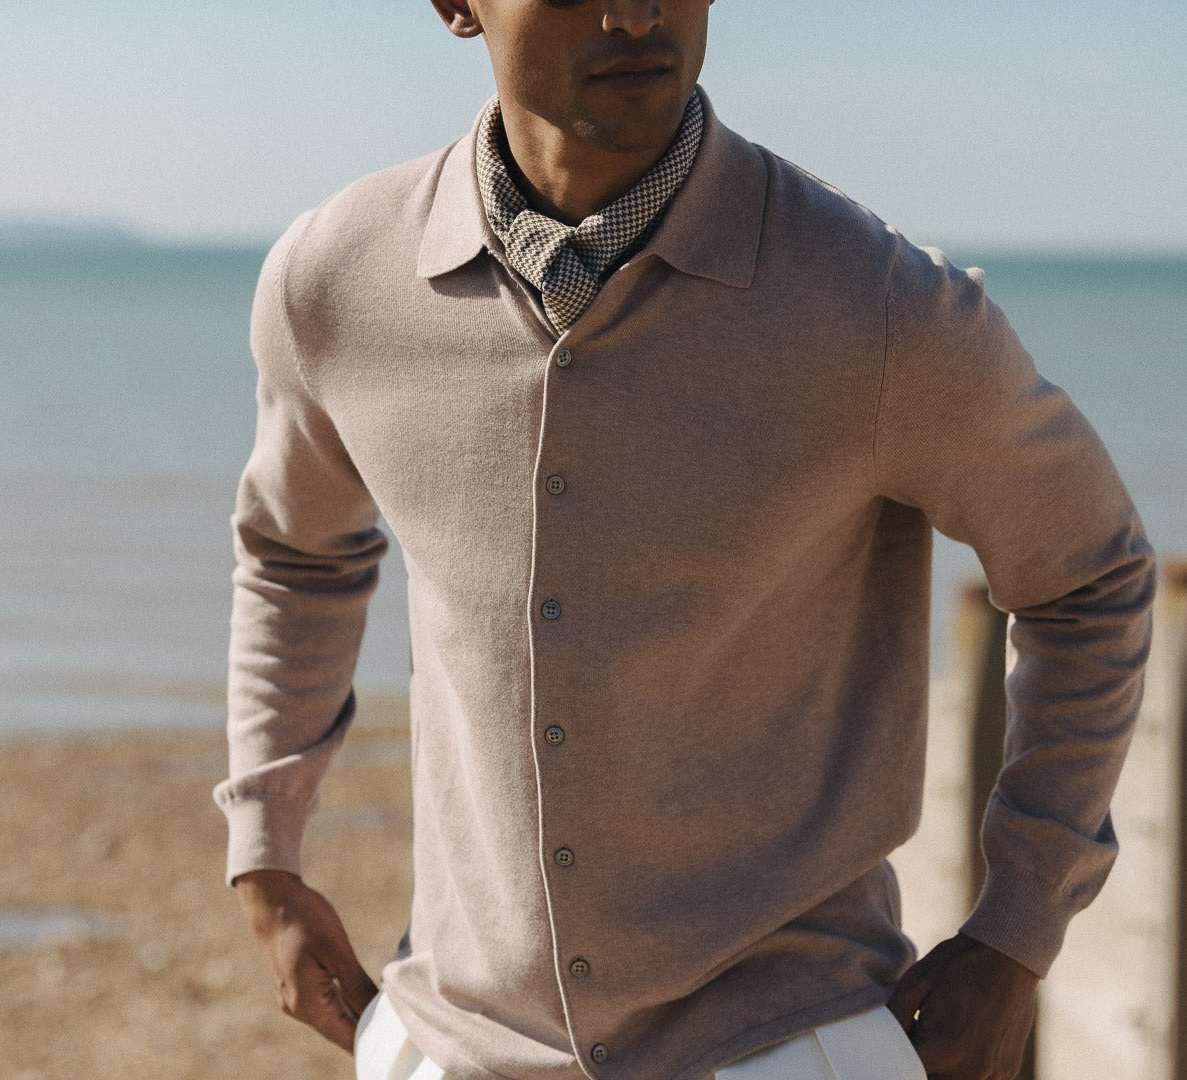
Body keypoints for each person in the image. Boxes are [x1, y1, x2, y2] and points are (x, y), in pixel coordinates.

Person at [213, 2, 1155, 1078]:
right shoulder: (334, 283)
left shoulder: (873, 306)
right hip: (453, 1037)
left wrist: (1015, 935)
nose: (636, 13)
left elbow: (1090, 575)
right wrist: (265, 854)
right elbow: (297, 553)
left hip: (786, 1044)